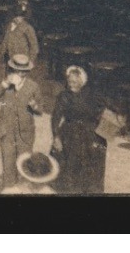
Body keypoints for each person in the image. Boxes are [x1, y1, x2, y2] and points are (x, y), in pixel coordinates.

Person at [51, 64, 109, 194]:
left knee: (91, 169)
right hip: (69, 134)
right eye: (69, 81)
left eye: (74, 82)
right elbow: (55, 118)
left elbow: (104, 109)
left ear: (82, 82)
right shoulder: (63, 96)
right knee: (69, 170)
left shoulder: (91, 95)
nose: (71, 84)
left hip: (89, 134)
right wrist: (56, 137)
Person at [0, 53, 43, 191]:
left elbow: (40, 110)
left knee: (23, 166)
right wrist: (5, 83)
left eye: (23, 71)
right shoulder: (6, 84)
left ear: (27, 71)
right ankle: (8, 190)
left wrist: (34, 105)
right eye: (16, 70)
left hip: (25, 134)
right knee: (8, 164)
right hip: (6, 131)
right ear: (12, 70)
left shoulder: (33, 87)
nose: (19, 73)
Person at [2, 0, 40, 74]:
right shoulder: (12, 12)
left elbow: (34, 47)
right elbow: (6, 38)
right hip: (11, 52)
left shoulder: (30, 12)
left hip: (23, 54)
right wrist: (3, 51)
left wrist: (31, 60)